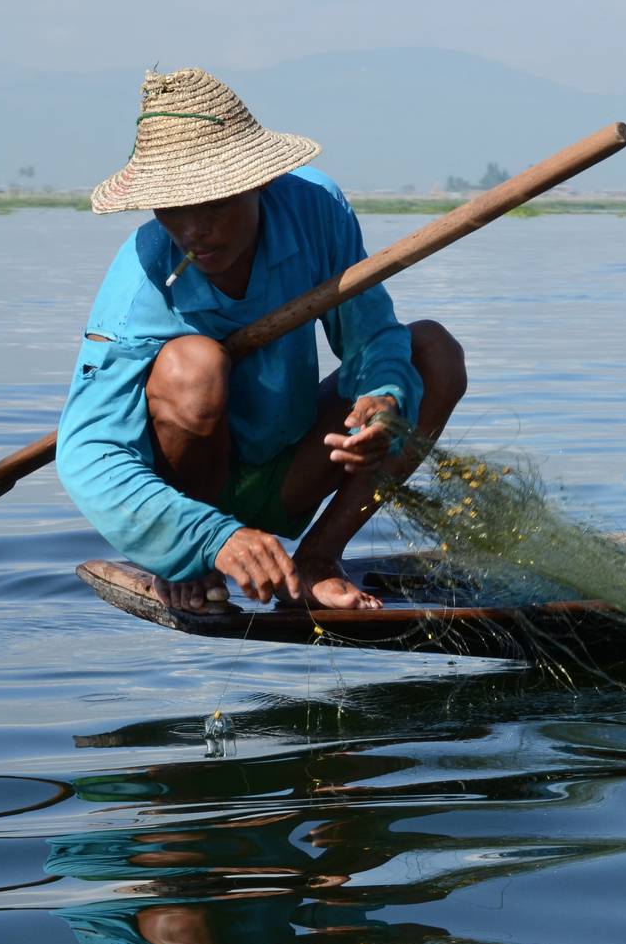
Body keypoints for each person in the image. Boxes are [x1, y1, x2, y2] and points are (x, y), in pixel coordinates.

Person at [57, 67, 467, 614]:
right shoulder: (142, 280)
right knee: (192, 367)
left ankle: (318, 557)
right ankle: (191, 562)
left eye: (214, 203)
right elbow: (89, 452)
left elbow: (371, 335)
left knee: (432, 352)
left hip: (298, 460)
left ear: (258, 182)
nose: (192, 230)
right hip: (193, 497)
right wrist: (206, 538)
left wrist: (384, 398)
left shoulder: (316, 211)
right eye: (172, 207)